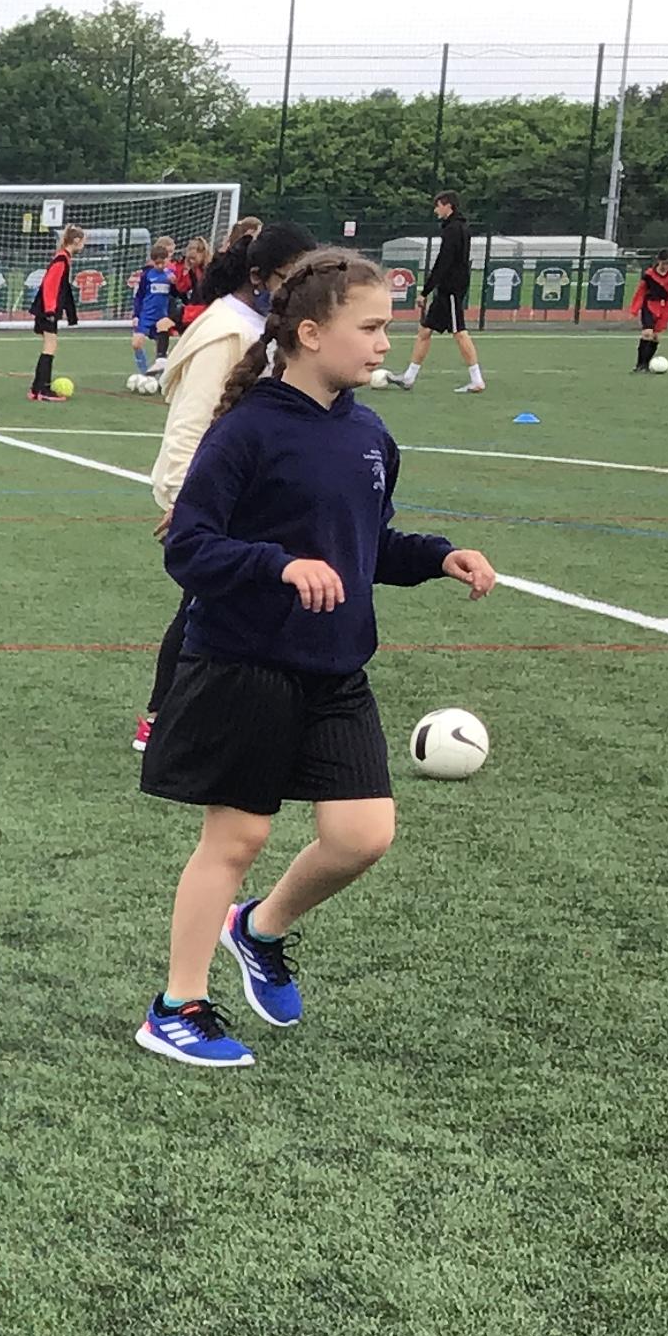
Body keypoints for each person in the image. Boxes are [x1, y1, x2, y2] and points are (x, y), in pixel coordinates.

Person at [138, 247, 498, 1068]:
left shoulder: (369, 434)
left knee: (362, 835)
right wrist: (278, 566)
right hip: (244, 663)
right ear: (309, 333)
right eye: (369, 328)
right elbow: (188, 547)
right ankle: (175, 1007)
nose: (384, 343)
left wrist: (437, 556)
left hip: (335, 669)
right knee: (238, 838)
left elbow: (367, 544)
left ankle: (258, 929)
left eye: (387, 328)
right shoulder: (247, 431)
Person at [135, 220, 318, 752]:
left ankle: (240, 715)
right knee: (203, 606)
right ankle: (161, 716)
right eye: (288, 278)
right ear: (259, 276)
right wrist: (187, 501)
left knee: (236, 605)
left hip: (256, 490)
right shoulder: (225, 330)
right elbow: (190, 423)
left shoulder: (266, 325)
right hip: (219, 495)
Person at [397, 191, 485, 392]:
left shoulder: (454, 230)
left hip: (451, 289)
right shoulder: (457, 227)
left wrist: (425, 290)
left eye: (438, 206)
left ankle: (477, 380)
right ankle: (409, 377)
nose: (436, 210)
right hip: (446, 289)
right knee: (425, 331)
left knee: (459, 332)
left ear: (448, 206)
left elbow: (444, 262)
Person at [29, 222, 85, 399]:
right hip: (47, 310)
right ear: (76, 240)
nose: (84, 245)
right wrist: (50, 311)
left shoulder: (64, 258)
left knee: (50, 344)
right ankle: (42, 389)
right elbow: (49, 286)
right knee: (50, 345)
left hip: (48, 309)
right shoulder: (61, 259)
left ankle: (37, 388)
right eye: (83, 241)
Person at [127, 237, 182, 383]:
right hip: (146, 316)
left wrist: (175, 284)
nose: (160, 265)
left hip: (161, 318)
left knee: (161, 350)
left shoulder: (170, 276)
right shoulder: (147, 275)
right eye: (157, 263)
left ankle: (163, 376)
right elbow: (139, 296)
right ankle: (145, 374)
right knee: (136, 344)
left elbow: (177, 295)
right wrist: (136, 315)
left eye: (163, 262)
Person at [634, 251, 668, 372]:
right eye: (665, 263)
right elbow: (641, 290)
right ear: (659, 261)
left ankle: (646, 364)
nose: (667, 266)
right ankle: (640, 365)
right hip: (649, 305)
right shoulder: (649, 275)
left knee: (655, 337)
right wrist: (635, 307)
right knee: (647, 333)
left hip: (664, 307)